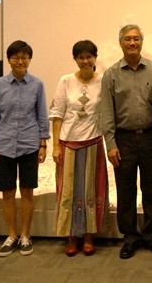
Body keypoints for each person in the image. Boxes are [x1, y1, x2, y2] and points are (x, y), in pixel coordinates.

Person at [99, 24, 152, 259]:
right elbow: (106, 112)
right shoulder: (111, 74)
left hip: (151, 136)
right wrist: (110, 144)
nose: (132, 43)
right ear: (120, 43)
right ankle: (129, 237)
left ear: (142, 42)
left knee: (151, 188)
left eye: (136, 39)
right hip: (123, 139)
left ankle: (151, 236)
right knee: (125, 189)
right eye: (127, 39)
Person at [0, 40, 50, 257]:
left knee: (27, 191)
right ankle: (11, 235)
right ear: (9, 60)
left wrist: (43, 144)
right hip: (4, 145)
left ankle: (25, 235)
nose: (20, 61)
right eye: (15, 57)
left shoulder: (37, 84)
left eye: (24, 57)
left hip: (29, 144)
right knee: (7, 193)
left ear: (29, 59)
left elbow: (42, 116)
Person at [49, 40, 108, 257]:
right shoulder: (66, 81)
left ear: (95, 58)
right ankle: (71, 236)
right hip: (67, 143)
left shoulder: (103, 81)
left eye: (89, 57)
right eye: (81, 57)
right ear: (75, 59)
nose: (85, 61)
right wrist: (55, 146)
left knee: (90, 190)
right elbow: (57, 114)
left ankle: (89, 235)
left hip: (93, 142)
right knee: (68, 192)